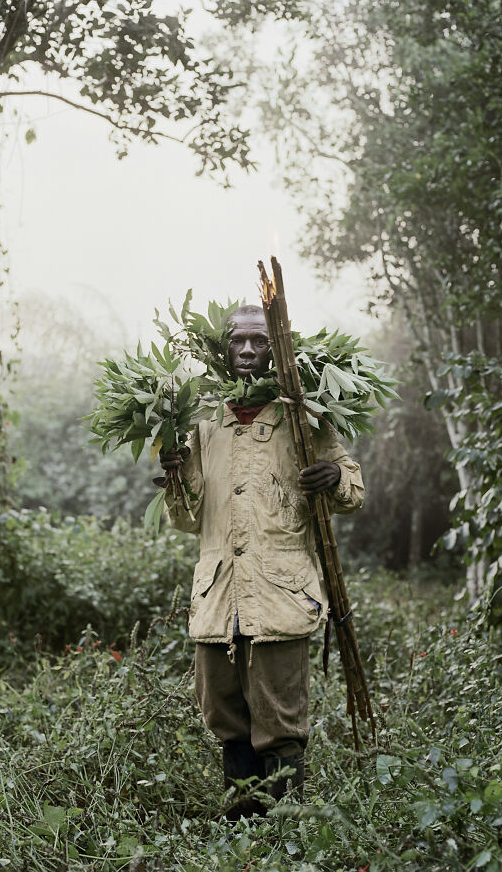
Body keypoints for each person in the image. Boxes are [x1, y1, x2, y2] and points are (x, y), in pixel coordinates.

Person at [159, 304, 364, 818]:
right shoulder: (204, 421)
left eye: (259, 340)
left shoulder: (304, 415)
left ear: (278, 347)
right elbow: (187, 518)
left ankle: (288, 830)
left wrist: (334, 480)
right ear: (221, 349)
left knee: (279, 719)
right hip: (218, 598)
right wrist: (175, 476)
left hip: (281, 594)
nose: (248, 350)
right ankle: (242, 827)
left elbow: (353, 490)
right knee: (225, 715)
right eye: (237, 341)